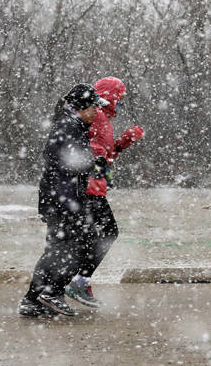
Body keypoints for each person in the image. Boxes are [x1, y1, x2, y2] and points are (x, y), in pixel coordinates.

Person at [17, 84, 110, 317]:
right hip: (62, 199)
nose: (97, 112)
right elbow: (64, 159)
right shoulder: (69, 126)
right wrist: (93, 165)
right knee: (73, 246)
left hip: (61, 198)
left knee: (62, 247)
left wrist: (92, 165)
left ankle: (33, 300)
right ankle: (49, 292)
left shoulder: (71, 124)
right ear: (83, 107)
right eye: (94, 108)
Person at [65, 77, 144, 308]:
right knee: (107, 233)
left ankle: (68, 283)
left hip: (93, 187)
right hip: (89, 188)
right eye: (120, 99)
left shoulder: (102, 119)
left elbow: (103, 157)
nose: (121, 104)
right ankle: (77, 281)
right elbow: (90, 151)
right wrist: (100, 156)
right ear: (110, 97)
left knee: (91, 236)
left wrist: (121, 144)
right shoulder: (97, 117)